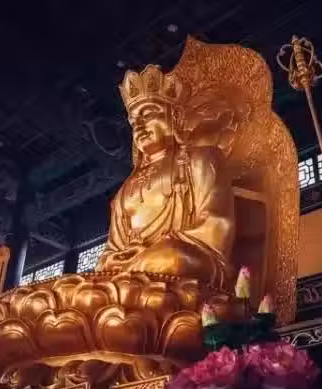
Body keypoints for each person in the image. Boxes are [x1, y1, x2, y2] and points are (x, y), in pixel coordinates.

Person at [96, 65, 236, 289]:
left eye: (148, 114)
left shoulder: (202, 159)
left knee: (171, 258)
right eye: (134, 121)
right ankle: (128, 283)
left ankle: (129, 282)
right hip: (133, 271)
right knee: (94, 276)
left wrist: (154, 250)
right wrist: (116, 259)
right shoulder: (124, 190)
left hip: (184, 261)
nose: (140, 126)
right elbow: (112, 251)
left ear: (175, 117)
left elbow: (218, 224)